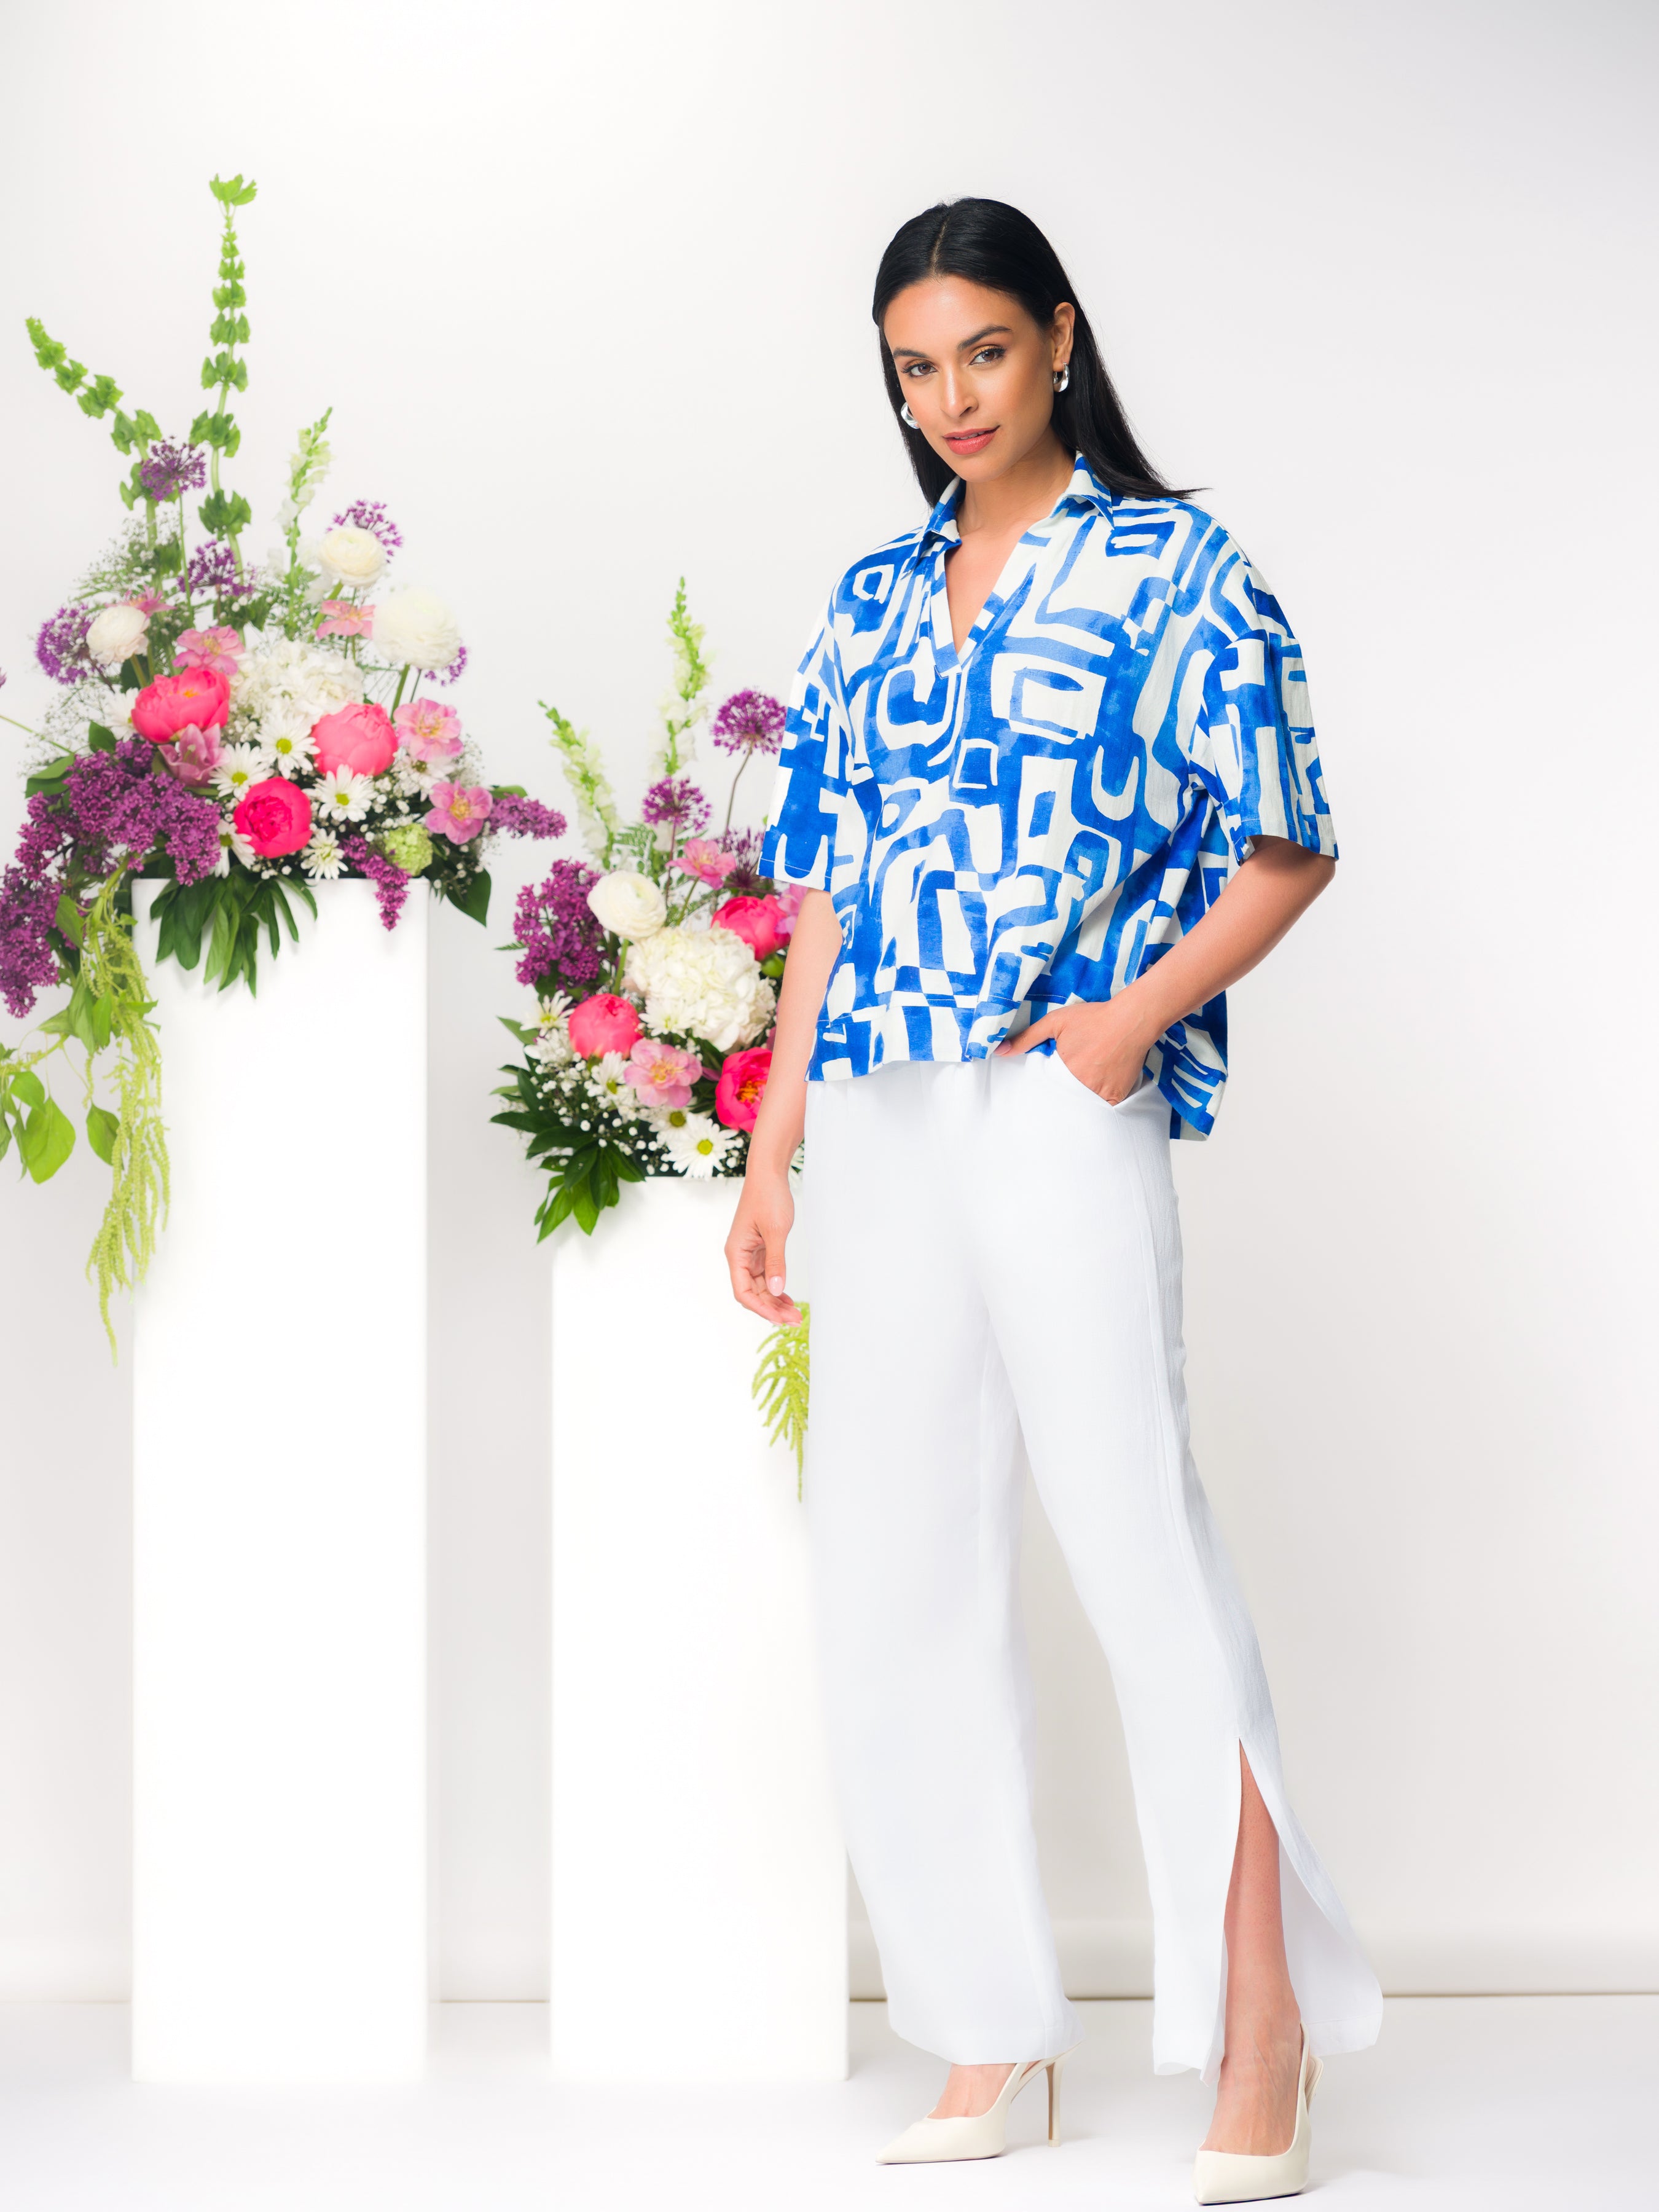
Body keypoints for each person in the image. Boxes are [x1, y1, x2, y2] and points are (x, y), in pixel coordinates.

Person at [725, 197, 1381, 2203]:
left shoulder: (1171, 567)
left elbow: (1289, 838)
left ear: (1059, 341)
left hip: (1050, 1094)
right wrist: (772, 1151)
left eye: (982, 354)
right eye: (915, 368)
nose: (949, 401)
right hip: (879, 1112)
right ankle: (990, 2030)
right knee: (890, 1564)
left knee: (1136, 1551)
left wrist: (1127, 1022)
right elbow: (823, 882)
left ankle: (1255, 2030)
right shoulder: (867, 592)